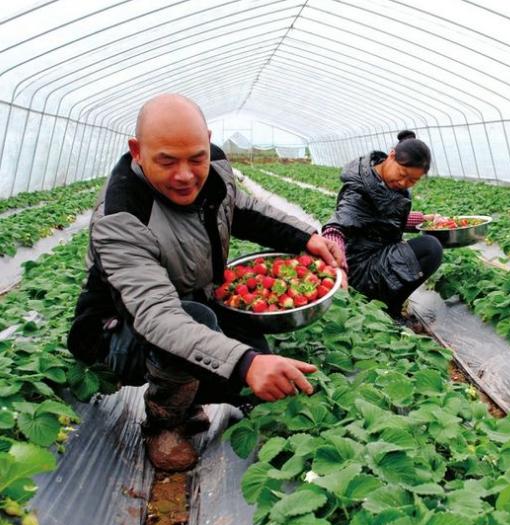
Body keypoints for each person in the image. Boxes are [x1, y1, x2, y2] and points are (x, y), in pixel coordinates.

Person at [67, 94, 345, 472]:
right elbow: (156, 316)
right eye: (167, 161)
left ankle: (198, 390)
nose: (185, 174)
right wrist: (245, 364)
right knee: (200, 326)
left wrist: (306, 238)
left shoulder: (213, 168)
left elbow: (242, 209)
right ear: (137, 151)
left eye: (195, 157)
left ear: (207, 142)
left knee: (242, 331)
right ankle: (164, 424)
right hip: (117, 333)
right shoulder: (122, 216)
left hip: (191, 301)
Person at [321, 131, 444, 320]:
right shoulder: (359, 189)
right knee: (430, 248)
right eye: (402, 174)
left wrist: (425, 219)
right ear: (391, 155)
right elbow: (337, 225)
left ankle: (388, 303)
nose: (404, 183)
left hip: (375, 258)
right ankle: (389, 309)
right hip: (358, 270)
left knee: (430, 243)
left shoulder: (379, 181)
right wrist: (335, 264)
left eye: (412, 181)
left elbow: (385, 217)